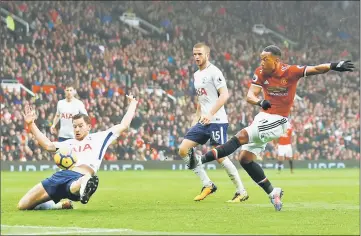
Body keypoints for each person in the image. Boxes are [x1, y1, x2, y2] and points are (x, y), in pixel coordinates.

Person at [189, 45, 354, 211]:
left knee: (240, 137)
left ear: (276, 60)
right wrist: (260, 102)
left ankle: (199, 161)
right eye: (260, 58)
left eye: (265, 59)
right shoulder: (260, 72)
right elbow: (250, 96)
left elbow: (316, 68)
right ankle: (272, 192)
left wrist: (334, 65)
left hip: (279, 120)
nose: (261, 62)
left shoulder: (291, 71)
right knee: (245, 159)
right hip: (262, 118)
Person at [17, 94, 138, 210]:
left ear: (89, 127)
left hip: (80, 176)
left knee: (76, 184)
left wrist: (133, 104)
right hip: (59, 176)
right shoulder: (67, 143)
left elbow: (124, 125)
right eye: (74, 126)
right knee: (23, 205)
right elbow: (48, 145)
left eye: (80, 126)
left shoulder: (100, 138)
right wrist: (31, 124)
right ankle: (59, 205)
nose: (77, 129)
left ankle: (85, 185)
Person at [178, 43, 247, 202]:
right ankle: (208, 184)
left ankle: (241, 191)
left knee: (220, 156)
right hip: (203, 120)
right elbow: (201, 99)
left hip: (217, 121)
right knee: (183, 150)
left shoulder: (215, 72)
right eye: (194, 54)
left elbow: (224, 95)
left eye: (199, 54)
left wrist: (210, 113)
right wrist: (196, 117)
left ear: (207, 55)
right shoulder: (196, 75)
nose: (196, 57)